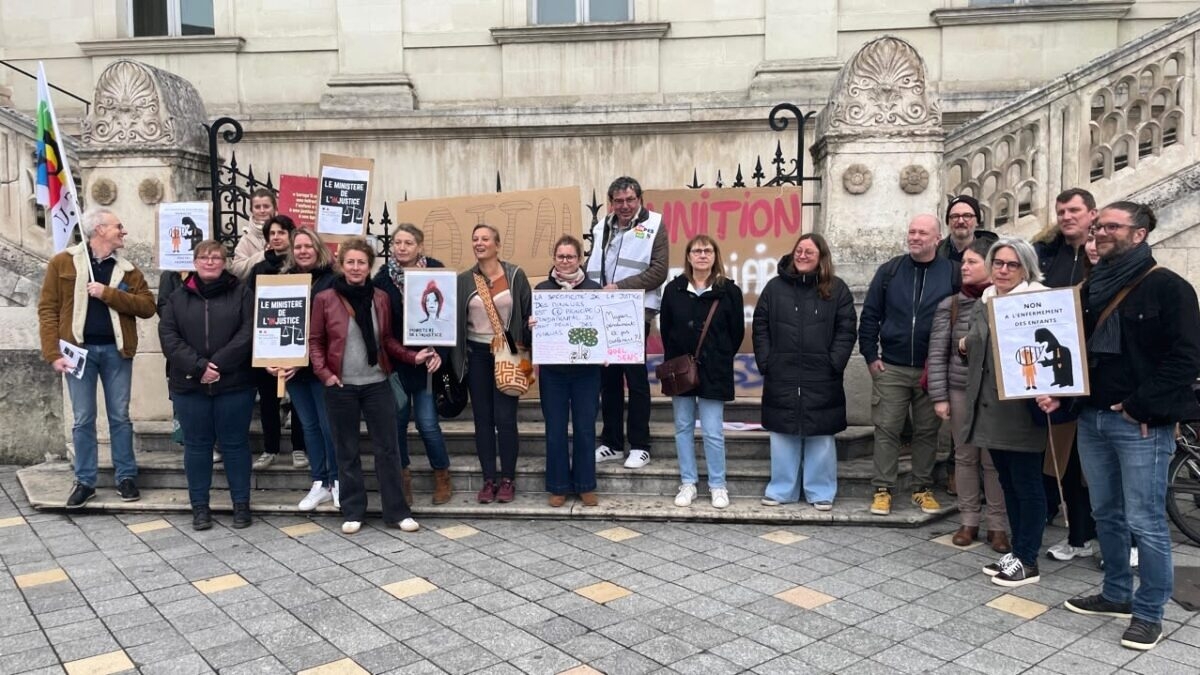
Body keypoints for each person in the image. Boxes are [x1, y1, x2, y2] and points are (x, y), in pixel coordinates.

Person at [1043, 202, 1200, 651]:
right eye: (1099, 227)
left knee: (1146, 521)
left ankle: (1149, 613)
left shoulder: (1170, 288)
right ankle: (1115, 593)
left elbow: (1186, 359)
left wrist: (1138, 408)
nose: (1100, 233)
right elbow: (1081, 357)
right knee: (1105, 513)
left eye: (1112, 226)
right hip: (1092, 419)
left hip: (1141, 426)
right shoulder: (1091, 287)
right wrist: (1063, 393)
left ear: (1140, 234)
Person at [310, 237, 438, 534]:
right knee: (347, 450)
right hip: (340, 386)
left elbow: (388, 341)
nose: (356, 267)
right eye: (350, 262)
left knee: (388, 449)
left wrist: (412, 356)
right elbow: (315, 342)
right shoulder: (325, 299)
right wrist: (325, 373)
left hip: (377, 384)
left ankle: (396, 512)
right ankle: (353, 510)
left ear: (370, 266)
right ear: (342, 265)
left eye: (362, 262)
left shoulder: (380, 297)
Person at [38, 208, 156, 507]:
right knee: (83, 419)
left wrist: (108, 294)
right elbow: (48, 310)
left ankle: (126, 477)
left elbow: (147, 306)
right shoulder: (62, 262)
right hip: (77, 352)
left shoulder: (128, 270)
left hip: (117, 352)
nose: (123, 231)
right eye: (118, 226)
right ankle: (85, 481)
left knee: (120, 417)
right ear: (100, 229)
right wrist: (53, 353)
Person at [963, 238, 1049, 587]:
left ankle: (1028, 558)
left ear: (1026, 268)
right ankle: (1017, 551)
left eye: (1011, 265)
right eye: (997, 262)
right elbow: (977, 343)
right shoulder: (986, 300)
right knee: (1008, 483)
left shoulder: (1037, 301)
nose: (1002, 269)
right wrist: (965, 343)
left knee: (1028, 485)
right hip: (988, 407)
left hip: (1021, 409)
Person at [859, 214, 957, 516]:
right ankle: (883, 489)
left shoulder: (952, 272)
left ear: (937, 239)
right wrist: (870, 356)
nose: (915, 237)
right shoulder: (890, 271)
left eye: (922, 233)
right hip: (892, 366)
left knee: (928, 431)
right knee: (887, 429)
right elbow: (871, 314)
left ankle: (921, 488)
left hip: (933, 368)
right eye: (911, 232)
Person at [754, 233, 856, 511]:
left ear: (821, 257)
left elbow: (846, 330)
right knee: (782, 435)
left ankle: (821, 491)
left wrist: (834, 362)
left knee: (821, 436)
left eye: (809, 252)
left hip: (822, 375)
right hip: (782, 374)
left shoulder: (837, 289)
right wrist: (766, 361)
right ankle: (781, 490)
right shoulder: (775, 288)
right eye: (799, 250)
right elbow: (760, 325)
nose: (802, 256)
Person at [158, 241, 255, 530]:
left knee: (236, 445)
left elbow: (249, 332)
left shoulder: (242, 293)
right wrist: (199, 366)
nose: (210, 262)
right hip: (190, 386)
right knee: (197, 447)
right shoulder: (177, 297)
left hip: (235, 383)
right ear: (195, 262)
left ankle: (241, 504)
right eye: (204, 257)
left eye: (216, 257)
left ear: (225, 262)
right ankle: (200, 507)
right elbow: (168, 336)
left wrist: (219, 365)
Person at [928, 239, 1011, 553]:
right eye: (963, 262)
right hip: (960, 390)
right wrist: (940, 397)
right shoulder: (949, 305)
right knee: (964, 457)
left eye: (972, 262)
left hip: (996, 394)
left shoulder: (1005, 302)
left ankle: (998, 526)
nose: (964, 267)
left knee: (993, 461)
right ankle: (968, 520)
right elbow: (937, 355)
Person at [585, 176, 669, 470]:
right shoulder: (602, 226)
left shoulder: (654, 225)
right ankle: (611, 442)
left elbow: (659, 271)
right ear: (611, 202)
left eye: (630, 200)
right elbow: (594, 265)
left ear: (639, 199)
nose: (624, 206)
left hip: (634, 312)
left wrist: (620, 287)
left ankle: (640, 445)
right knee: (607, 379)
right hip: (603, 311)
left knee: (635, 379)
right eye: (618, 201)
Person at [1035, 189, 1098, 563]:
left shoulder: (1105, 253)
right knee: (1066, 461)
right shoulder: (1048, 254)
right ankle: (1078, 535)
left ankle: (1122, 541)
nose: (1066, 216)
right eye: (1061, 211)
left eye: (1074, 210)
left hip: (1100, 371)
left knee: (1100, 464)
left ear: (1092, 213)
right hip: (1059, 370)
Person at [659, 235, 744, 509]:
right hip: (681, 370)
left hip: (714, 370)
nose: (702, 255)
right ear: (688, 256)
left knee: (712, 431)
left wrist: (718, 356)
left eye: (708, 251)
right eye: (697, 251)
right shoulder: (674, 289)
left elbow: (737, 332)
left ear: (715, 256)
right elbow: (667, 328)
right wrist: (678, 360)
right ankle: (688, 483)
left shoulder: (729, 291)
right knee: (683, 427)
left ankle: (718, 485)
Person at [373, 223, 453, 505]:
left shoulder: (436, 271)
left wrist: (441, 352)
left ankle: (442, 474)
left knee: (428, 424)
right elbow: (382, 327)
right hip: (396, 364)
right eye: (397, 242)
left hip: (428, 364)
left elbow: (448, 318)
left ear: (419, 245)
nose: (402, 247)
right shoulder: (382, 280)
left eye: (408, 242)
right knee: (396, 424)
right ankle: (402, 478)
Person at [452, 224, 532, 503]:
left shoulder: (516, 275)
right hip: (476, 355)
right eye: (475, 239)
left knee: (506, 418)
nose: (479, 243)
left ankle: (508, 479)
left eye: (485, 238)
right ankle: (489, 479)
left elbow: (527, 314)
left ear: (497, 244)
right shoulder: (463, 280)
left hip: (507, 353)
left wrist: (531, 333)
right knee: (482, 420)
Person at [529, 235, 603, 507]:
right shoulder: (542, 289)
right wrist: (533, 323)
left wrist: (605, 350)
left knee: (585, 428)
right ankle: (558, 485)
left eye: (570, 256)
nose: (565, 261)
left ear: (580, 259)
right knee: (555, 429)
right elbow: (533, 331)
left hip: (586, 372)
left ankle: (585, 484)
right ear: (554, 259)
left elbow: (602, 330)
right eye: (560, 256)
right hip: (554, 372)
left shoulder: (594, 289)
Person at [273, 228, 340, 511]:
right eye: (297, 246)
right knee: (309, 426)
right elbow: (273, 323)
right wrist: (272, 360)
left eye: (307, 246)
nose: (302, 251)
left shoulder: (334, 280)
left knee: (328, 427)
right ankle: (319, 481)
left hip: (323, 366)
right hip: (294, 368)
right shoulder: (282, 281)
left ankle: (337, 481)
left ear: (317, 248)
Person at [247, 215, 309, 471]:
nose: (276, 237)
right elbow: (250, 306)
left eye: (281, 232)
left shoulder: (300, 268)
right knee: (269, 401)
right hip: (267, 344)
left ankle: (299, 448)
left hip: (295, 341)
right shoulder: (258, 269)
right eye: (271, 233)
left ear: (291, 235)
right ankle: (270, 448)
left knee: (298, 401)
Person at [229, 188, 276, 280]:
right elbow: (236, 271)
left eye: (266, 206)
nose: (262, 211)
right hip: (254, 290)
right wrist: (264, 255)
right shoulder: (246, 239)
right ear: (251, 210)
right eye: (257, 207)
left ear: (274, 208)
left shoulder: (286, 232)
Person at [937, 195, 998, 263]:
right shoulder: (934, 252)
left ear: (977, 221)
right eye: (955, 216)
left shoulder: (994, 253)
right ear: (948, 222)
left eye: (967, 216)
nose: (961, 221)